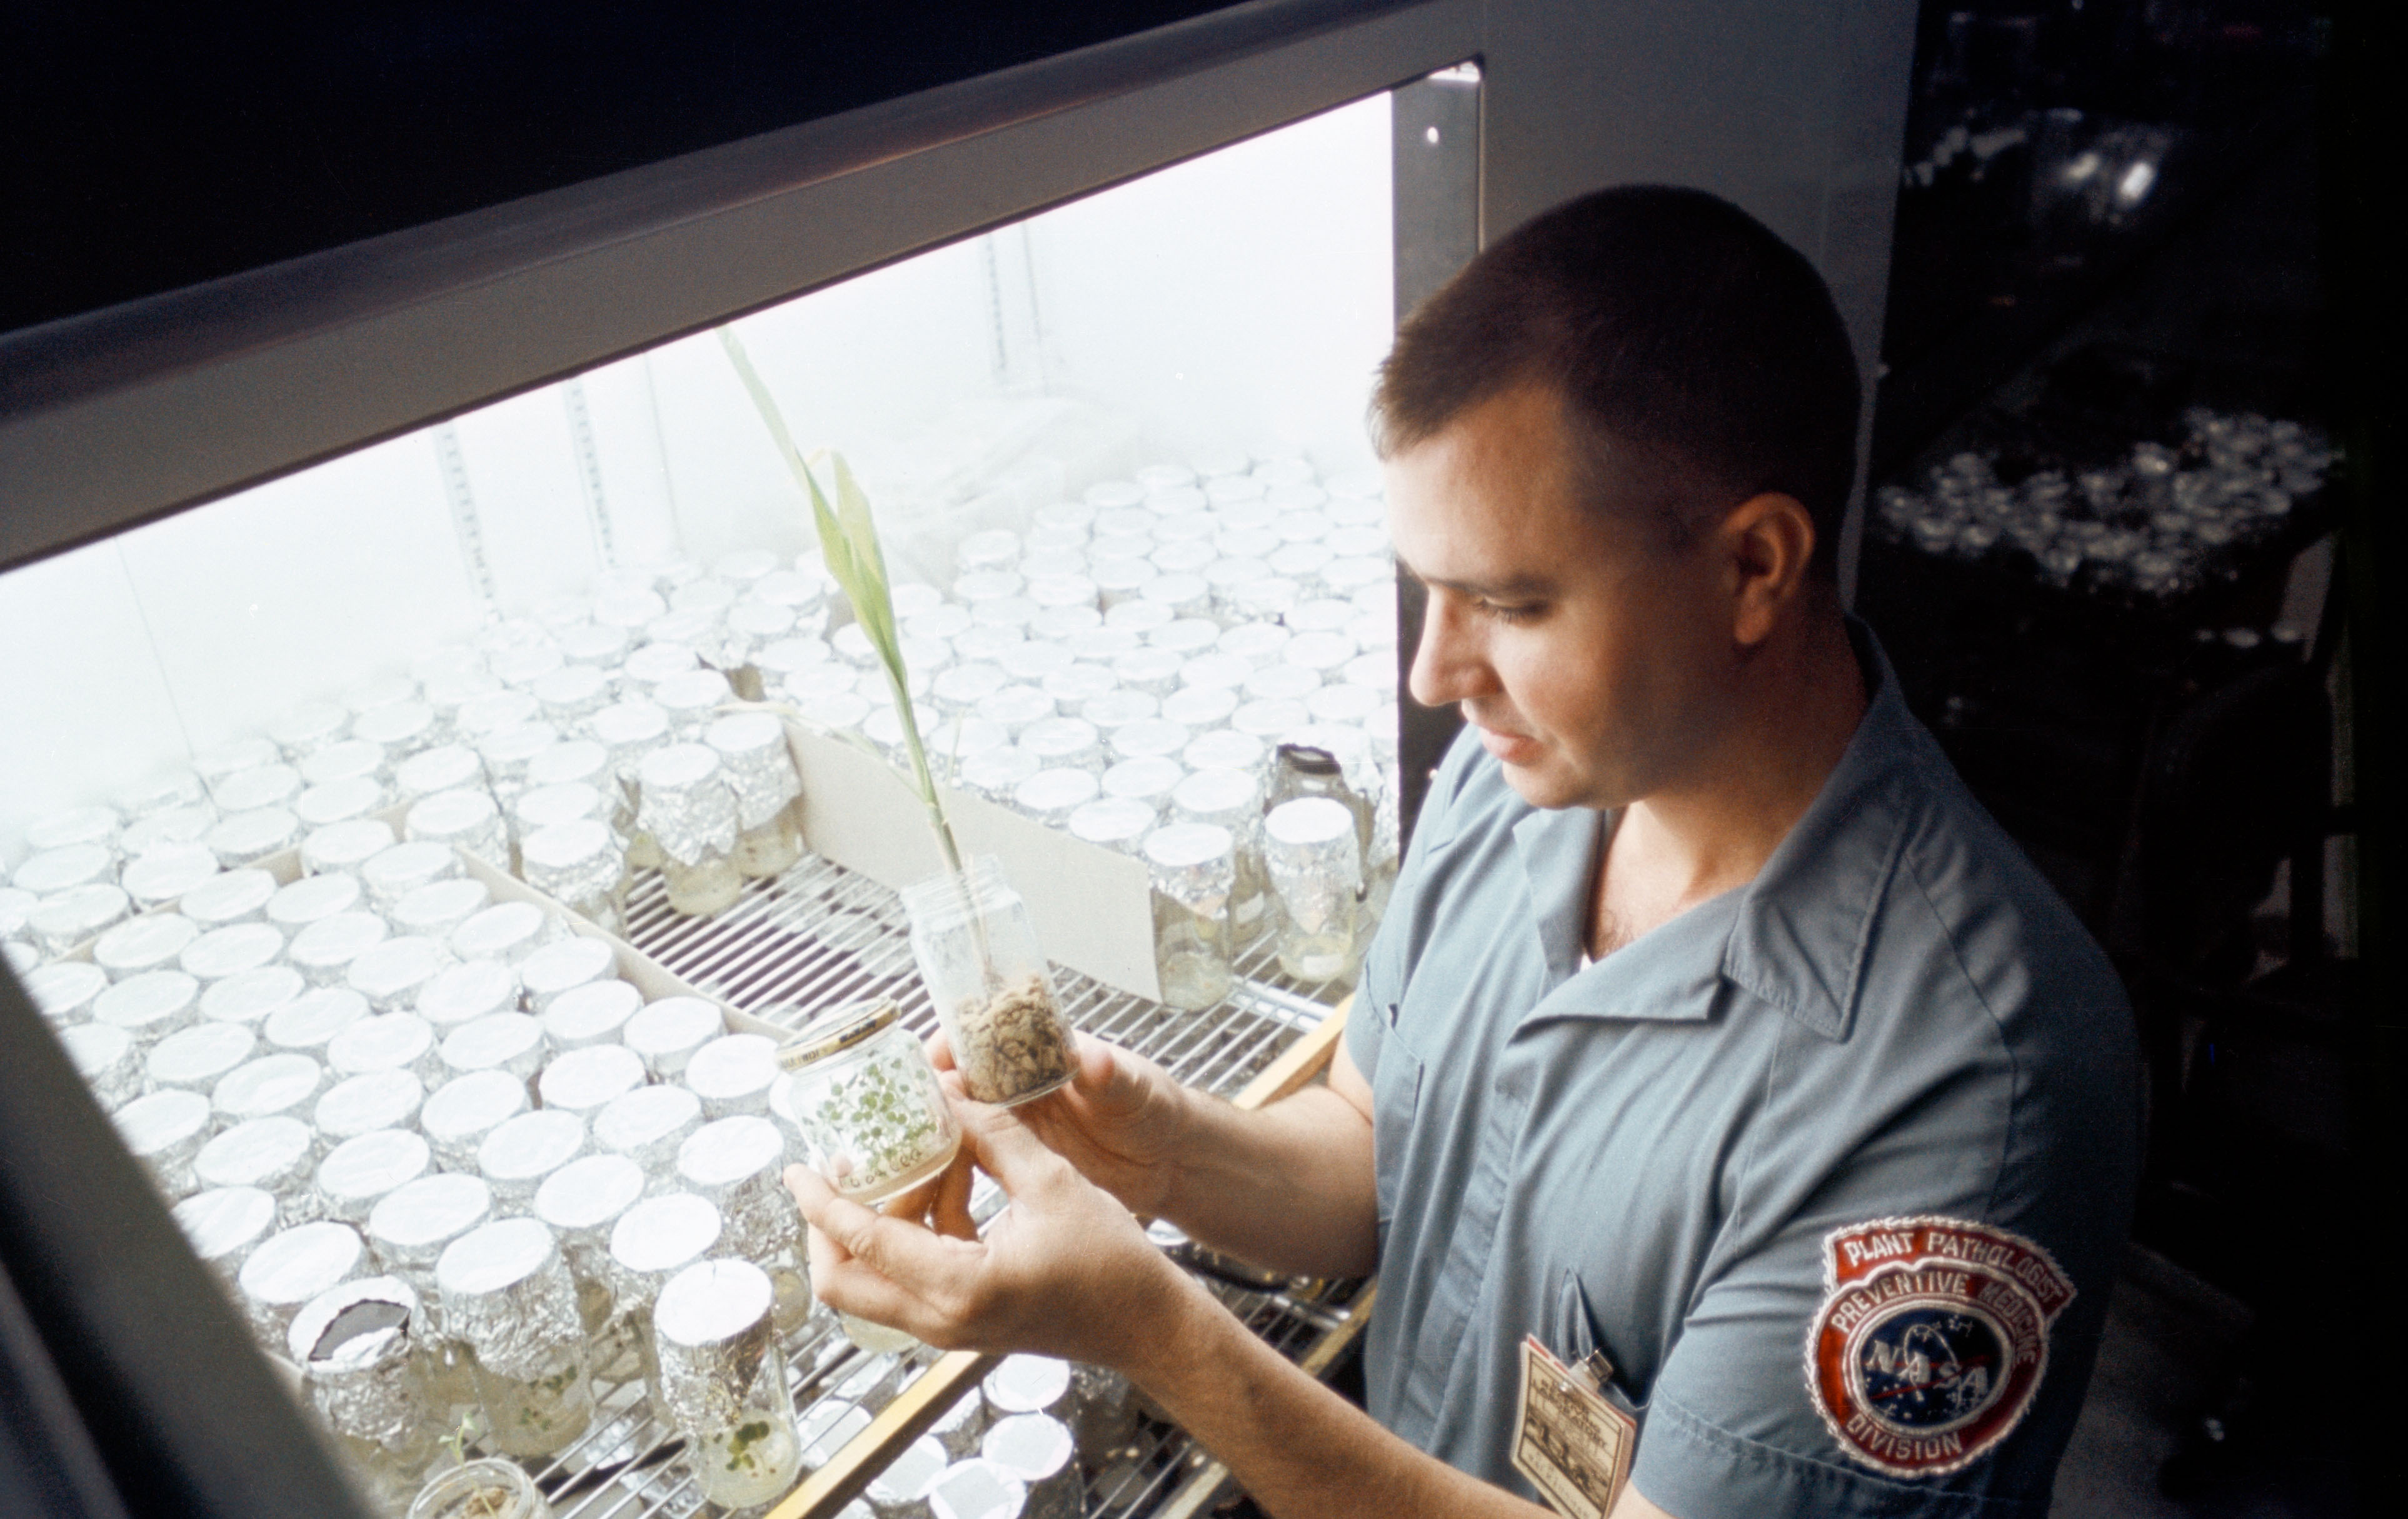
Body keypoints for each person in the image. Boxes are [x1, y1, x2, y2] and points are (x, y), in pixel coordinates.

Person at [785, 185, 2140, 1518]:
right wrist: (1160, 1156)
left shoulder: (1972, 1093)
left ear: (1754, 569)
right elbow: (1383, 1150)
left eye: (1509, 602)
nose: (1437, 675)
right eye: (1429, 592)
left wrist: (1155, 1332)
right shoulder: (1532, 784)